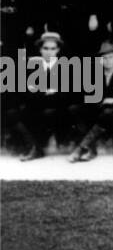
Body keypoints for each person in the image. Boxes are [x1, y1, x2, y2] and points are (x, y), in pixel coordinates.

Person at [69, 39, 113, 162]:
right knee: (75, 109)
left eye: (111, 57)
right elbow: (88, 96)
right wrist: (105, 100)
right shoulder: (96, 75)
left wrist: (106, 101)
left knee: (107, 113)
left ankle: (80, 149)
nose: (108, 61)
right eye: (104, 58)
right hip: (100, 108)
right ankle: (91, 149)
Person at [15, 32, 73, 161]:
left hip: (58, 107)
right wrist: (45, 92)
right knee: (16, 114)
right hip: (36, 105)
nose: (49, 52)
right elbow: (25, 91)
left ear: (58, 50)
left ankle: (43, 147)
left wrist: (44, 93)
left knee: (51, 113)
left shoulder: (66, 67)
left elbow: (68, 93)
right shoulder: (32, 66)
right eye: (45, 48)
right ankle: (34, 147)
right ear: (40, 50)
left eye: (53, 49)